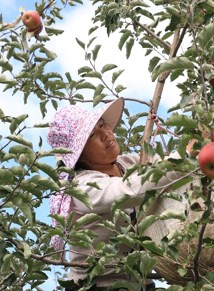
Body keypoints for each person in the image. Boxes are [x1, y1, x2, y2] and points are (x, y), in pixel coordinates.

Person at [46, 97, 184, 290]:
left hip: (142, 283)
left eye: (103, 125)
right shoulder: (80, 188)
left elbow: (165, 167)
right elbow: (130, 190)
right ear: (80, 155)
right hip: (96, 286)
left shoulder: (128, 163)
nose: (105, 134)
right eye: (92, 134)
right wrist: (188, 158)